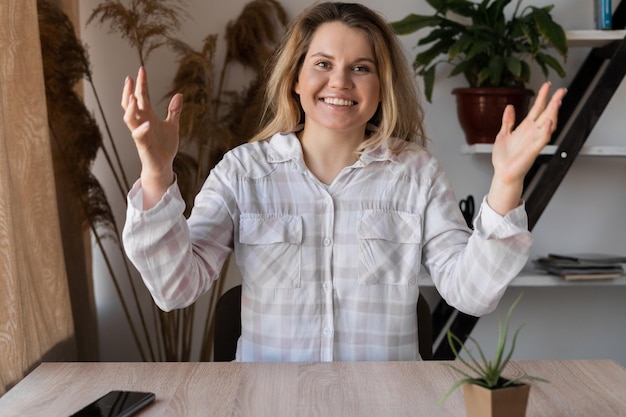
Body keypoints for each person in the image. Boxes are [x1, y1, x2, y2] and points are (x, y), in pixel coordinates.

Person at [121, 2, 566, 362]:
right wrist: (157, 174)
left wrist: (506, 181)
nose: (340, 81)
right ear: (296, 78)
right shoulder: (242, 172)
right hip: (271, 405)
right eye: (322, 63)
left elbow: (470, 293)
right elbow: (177, 288)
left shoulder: (418, 173)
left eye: (360, 68)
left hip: (387, 405)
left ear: (381, 84)